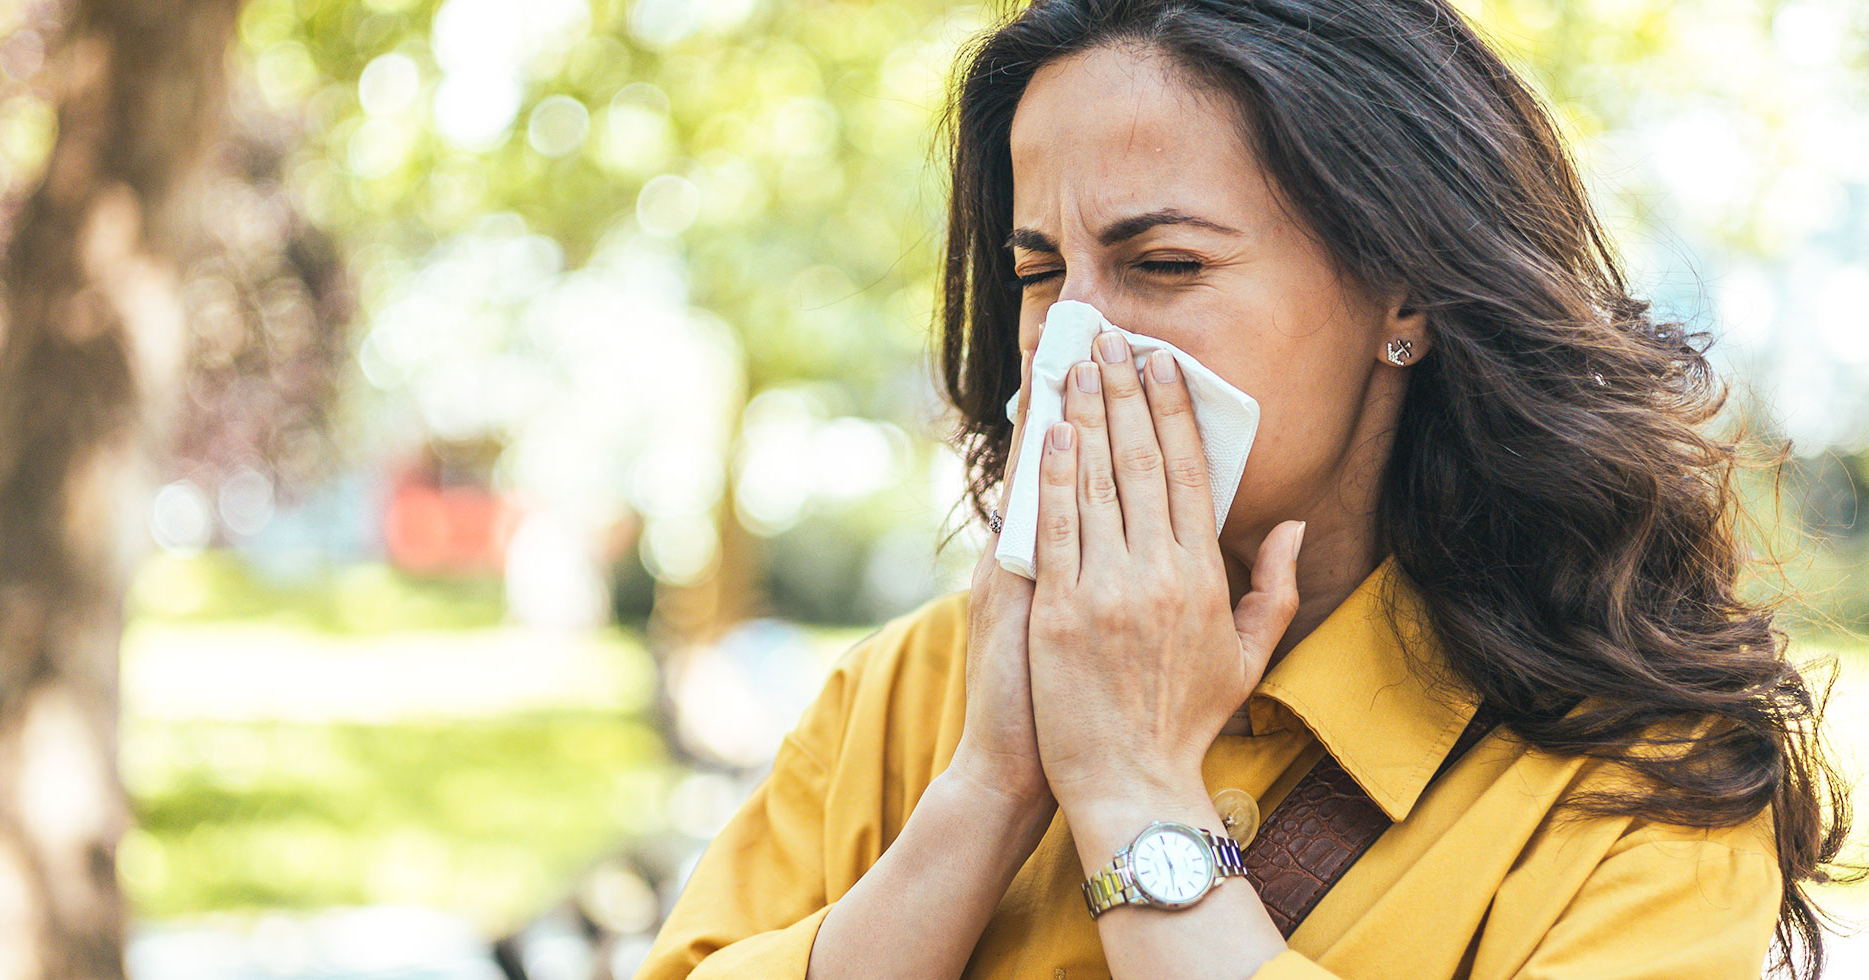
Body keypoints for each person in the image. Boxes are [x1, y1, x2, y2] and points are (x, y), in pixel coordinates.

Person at [633, 1, 1856, 978]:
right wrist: (986, 793)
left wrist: (1131, 794)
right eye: (1041, 270)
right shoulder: (913, 689)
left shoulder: (1637, 782)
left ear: (1406, 293)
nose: (1081, 340)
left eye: (1165, 264)